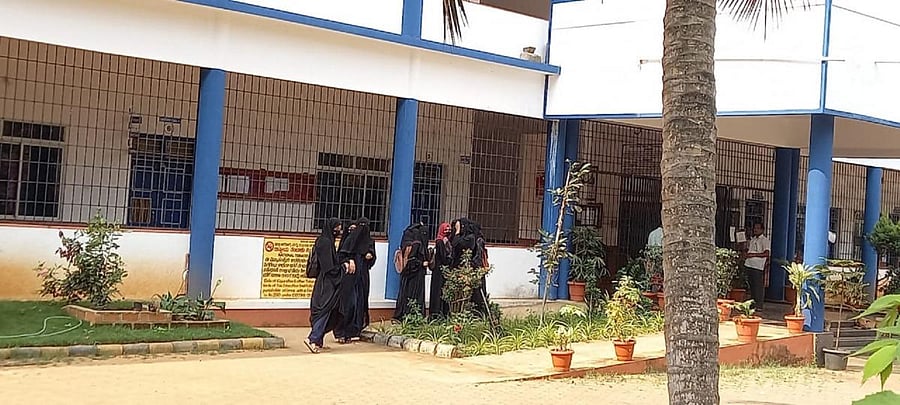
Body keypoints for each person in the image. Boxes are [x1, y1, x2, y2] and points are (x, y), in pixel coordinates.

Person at [305, 218, 353, 353]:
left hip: (329, 282)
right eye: (337, 228)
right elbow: (328, 268)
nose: (339, 231)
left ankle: (318, 341)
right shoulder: (325, 243)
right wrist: (343, 267)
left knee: (331, 311)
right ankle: (312, 339)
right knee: (324, 310)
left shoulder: (327, 241)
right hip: (326, 284)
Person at [334, 218, 375, 343]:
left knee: (360, 304)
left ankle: (354, 331)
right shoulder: (349, 240)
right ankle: (342, 332)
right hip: (349, 279)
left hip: (362, 278)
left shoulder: (369, 242)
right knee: (349, 304)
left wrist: (370, 256)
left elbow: (372, 259)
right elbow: (341, 256)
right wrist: (349, 260)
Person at [451, 218, 489, 316]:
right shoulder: (471, 237)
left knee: (475, 295)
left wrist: (458, 232)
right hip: (470, 271)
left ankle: (477, 314)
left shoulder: (471, 238)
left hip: (473, 271)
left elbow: (456, 243)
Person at [393, 223, 429, 321]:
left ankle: (404, 314)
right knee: (414, 295)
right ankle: (413, 315)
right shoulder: (417, 244)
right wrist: (421, 263)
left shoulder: (408, 242)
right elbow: (413, 261)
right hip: (415, 275)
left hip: (407, 275)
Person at [428, 222, 453, 319]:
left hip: (444, 271)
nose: (448, 231)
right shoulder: (439, 241)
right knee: (437, 291)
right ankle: (436, 313)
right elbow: (443, 257)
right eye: (445, 229)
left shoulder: (447, 240)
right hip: (439, 271)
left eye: (449, 229)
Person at [744, 222, 771, 310]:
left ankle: (759, 304)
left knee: (758, 285)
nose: (755, 230)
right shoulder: (753, 240)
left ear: (762, 230)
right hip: (749, 264)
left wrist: (753, 255)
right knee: (751, 285)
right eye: (755, 228)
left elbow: (766, 253)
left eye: (758, 228)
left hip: (757, 266)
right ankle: (752, 303)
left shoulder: (765, 240)